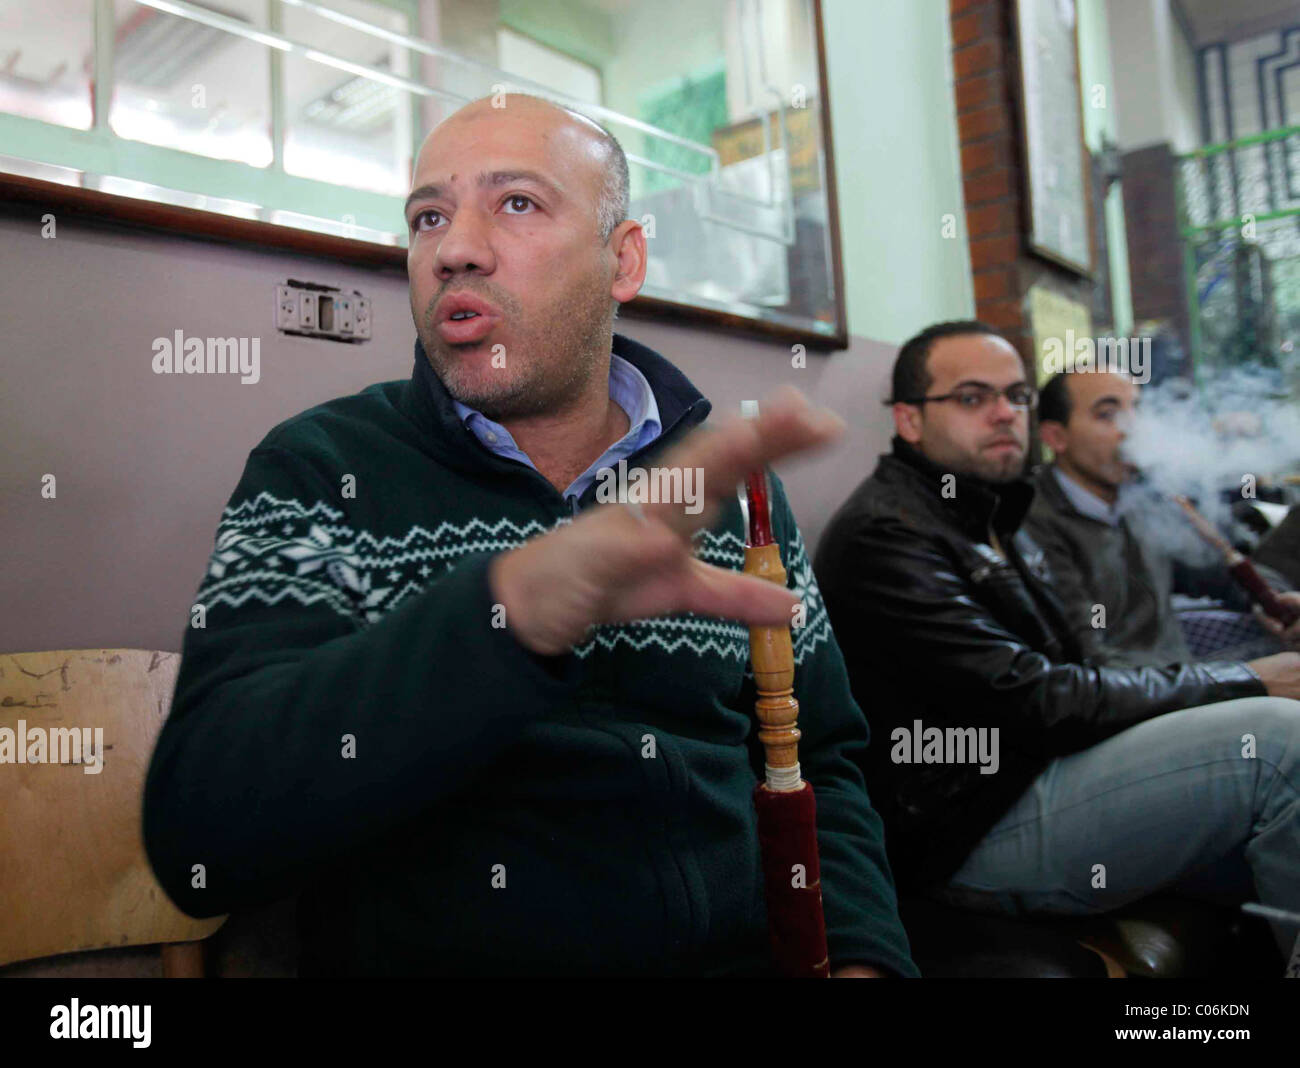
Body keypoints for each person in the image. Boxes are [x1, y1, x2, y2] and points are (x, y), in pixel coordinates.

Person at [142, 93, 916, 978]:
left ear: (623, 259)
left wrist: (861, 960)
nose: (455, 247)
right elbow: (201, 834)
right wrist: (509, 613)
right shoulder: (320, 471)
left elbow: (823, 763)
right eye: (428, 216)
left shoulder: (730, 492)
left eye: (516, 203)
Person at [813, 319, 1300, 958]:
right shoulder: (888, 536)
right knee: (1277, 741)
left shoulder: (990, 508)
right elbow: (1040, 700)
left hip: (1040, 772)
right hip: (968, 827)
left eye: (1016, 396)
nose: (1003, 414)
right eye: (971, 398)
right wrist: (1248, 679)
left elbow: (1073, 671)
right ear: (909, 420)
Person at [1026, 369, 1286, 666]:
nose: (1133, 429)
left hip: (1180, 676)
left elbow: (1219, 572)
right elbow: (1087, 655)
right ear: (1056, 437)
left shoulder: (1147, 500)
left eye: (1136, 410)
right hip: (1125, 698)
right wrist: (1221, 686)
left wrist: (1274, 599)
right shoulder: (1033, 523)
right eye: (1107, 415)